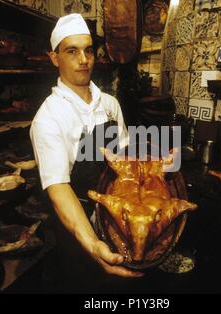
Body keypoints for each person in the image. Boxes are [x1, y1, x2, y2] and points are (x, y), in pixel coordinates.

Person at [30, 13, 143, 292]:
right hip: (79, 225)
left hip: (117, 215)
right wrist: (92, 242)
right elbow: (58, 189)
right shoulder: (49, 117)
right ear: (54, 58)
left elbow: (125, 158)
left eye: (88, 50)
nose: (84, 59)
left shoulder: (110, 104)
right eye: (72, 51)